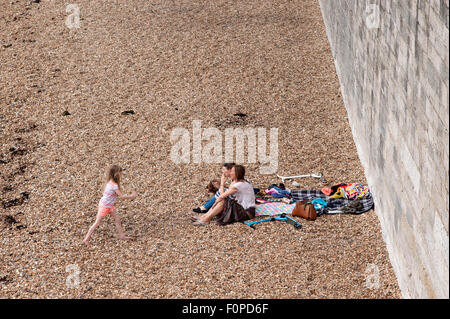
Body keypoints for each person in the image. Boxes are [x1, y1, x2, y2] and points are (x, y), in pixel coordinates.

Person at [83, 165, 137, 246]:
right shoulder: (114, 185)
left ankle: (121, 235)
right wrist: (132, 196)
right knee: (97, 222)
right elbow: (121, 196)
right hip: (105, 206)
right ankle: (86, 239)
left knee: (117, 218)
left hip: (109, 205)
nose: (121, 174)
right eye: (120, 172)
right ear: (116, 174)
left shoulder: (110, 182)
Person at [191, 164, 256, 226]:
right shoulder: (242, 182)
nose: (230, 173)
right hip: (245, 209)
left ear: (236, 173)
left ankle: (206, 219)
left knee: (222, 200)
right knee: (223, 200)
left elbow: (222, 196)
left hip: (246, 212)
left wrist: (222, 183)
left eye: (232, 171)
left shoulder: (238, 185)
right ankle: (204, 217)